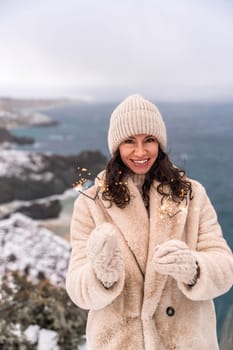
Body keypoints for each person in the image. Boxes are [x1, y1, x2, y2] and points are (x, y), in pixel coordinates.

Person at [66, 94, 233, 350]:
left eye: (149, 140)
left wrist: (194, 268)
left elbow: (225, 268)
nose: (141, 151)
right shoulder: (91, 202)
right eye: (130, 141)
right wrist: (101, 276)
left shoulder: (192, 194)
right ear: (117, 147)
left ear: (160, 143)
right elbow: (77, 289)